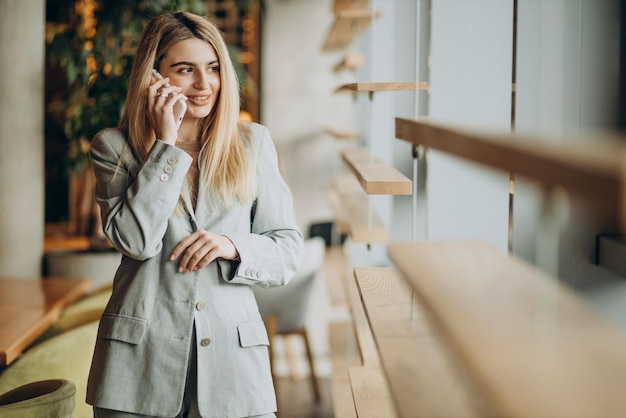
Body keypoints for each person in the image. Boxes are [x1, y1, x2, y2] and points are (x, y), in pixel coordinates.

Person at [86, 11, 303, 418]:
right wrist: (165, 147)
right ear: (154, 77)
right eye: (186, 70)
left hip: (234, 369)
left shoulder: (252, 143)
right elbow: (136, 242)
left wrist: (232, 245)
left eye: (214, 68)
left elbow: (287, 250)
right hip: (137, 370)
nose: (205, 85)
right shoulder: (114, 148)